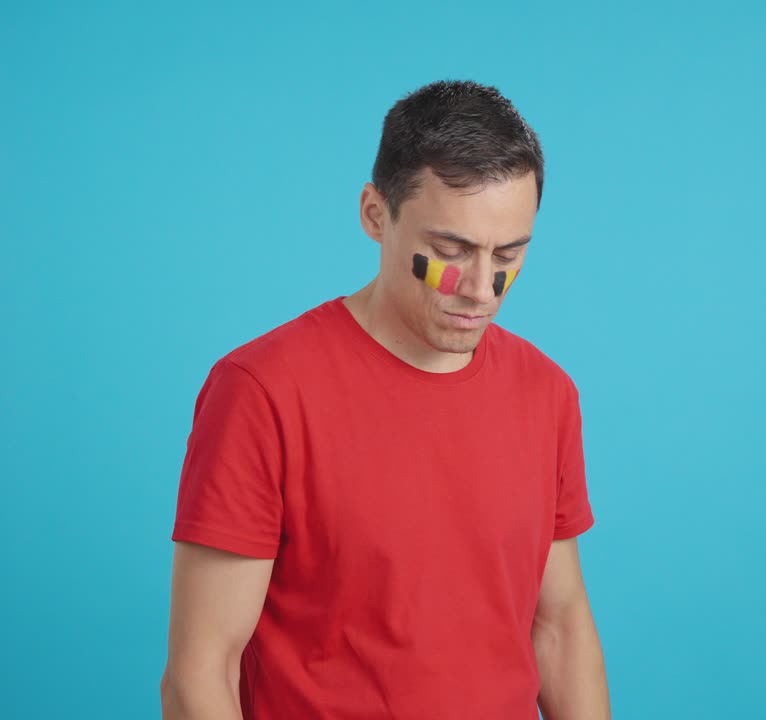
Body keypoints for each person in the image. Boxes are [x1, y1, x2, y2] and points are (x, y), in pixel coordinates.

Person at [159, 79, 610, 720]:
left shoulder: (548, 392)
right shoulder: (262, 392)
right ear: (375, 214)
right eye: (451, 250)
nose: (482, 288)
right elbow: (200, 674)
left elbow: (559, 627)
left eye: (508, 254)